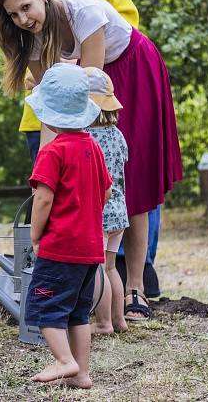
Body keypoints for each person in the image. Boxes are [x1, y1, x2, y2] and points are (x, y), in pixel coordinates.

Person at [0, 0, 182, 321]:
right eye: (13, 15)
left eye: (26, 7)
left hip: (129, 70)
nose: (22, 19)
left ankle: (135, 288)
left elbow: (91, 89)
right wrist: (48, 171)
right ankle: (90, 297)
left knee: (130, 182)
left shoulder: (86, 11)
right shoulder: (33, 39)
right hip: (90, 86)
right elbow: (55, 105)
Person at [23, 63, 111, 388]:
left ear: (47, 113)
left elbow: (43, 199)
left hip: (59, 250)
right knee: (77, 311)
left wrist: (36, 235)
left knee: (44, 302)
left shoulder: (52, 152)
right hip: (90, 250)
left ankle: (63, 360)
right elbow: (106, 190)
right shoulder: (93, 147)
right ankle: (82, 374)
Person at [83, 67, 129, 333]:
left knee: (97, 269)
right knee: (111, 266)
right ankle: (119, 320)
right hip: (119, 210)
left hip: (98, 212)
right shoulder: (117, 135)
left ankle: (102, 323)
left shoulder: (87, 138)